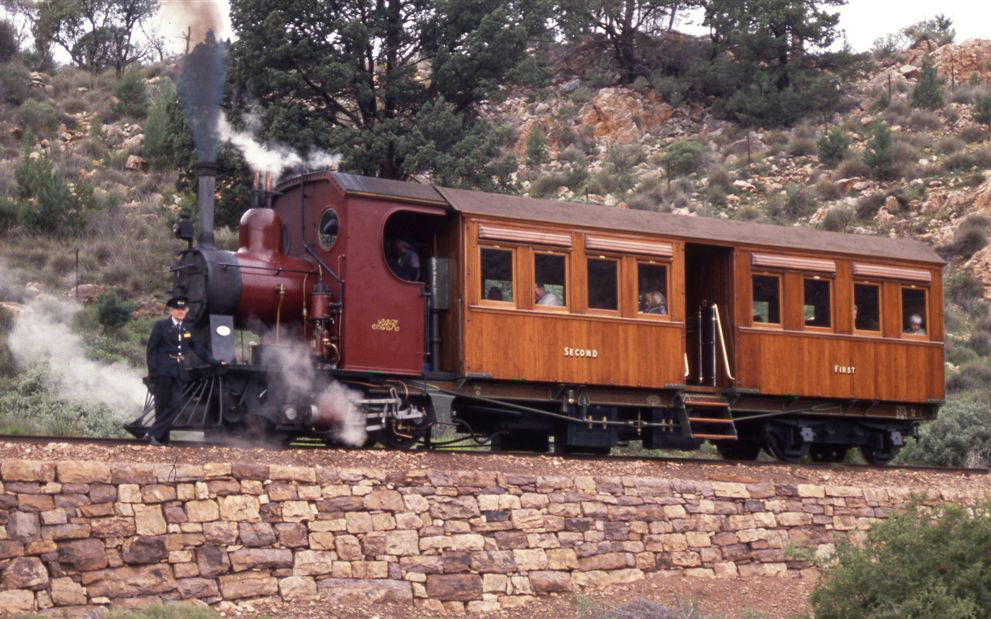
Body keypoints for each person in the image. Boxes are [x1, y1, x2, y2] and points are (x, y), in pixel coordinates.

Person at [145, 295, 218, 444]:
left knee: (177, 404)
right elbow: (151, 350)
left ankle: (152, 433)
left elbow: (199, 349)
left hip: (179, 371)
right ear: (171, 311)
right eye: (178, 309)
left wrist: (214, 362)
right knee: (161, 405)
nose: (181, 312)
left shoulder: (187, 328)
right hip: (163, 371)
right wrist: (153, 371)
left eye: (183, 309)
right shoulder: (161, 326)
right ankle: (161, 439)